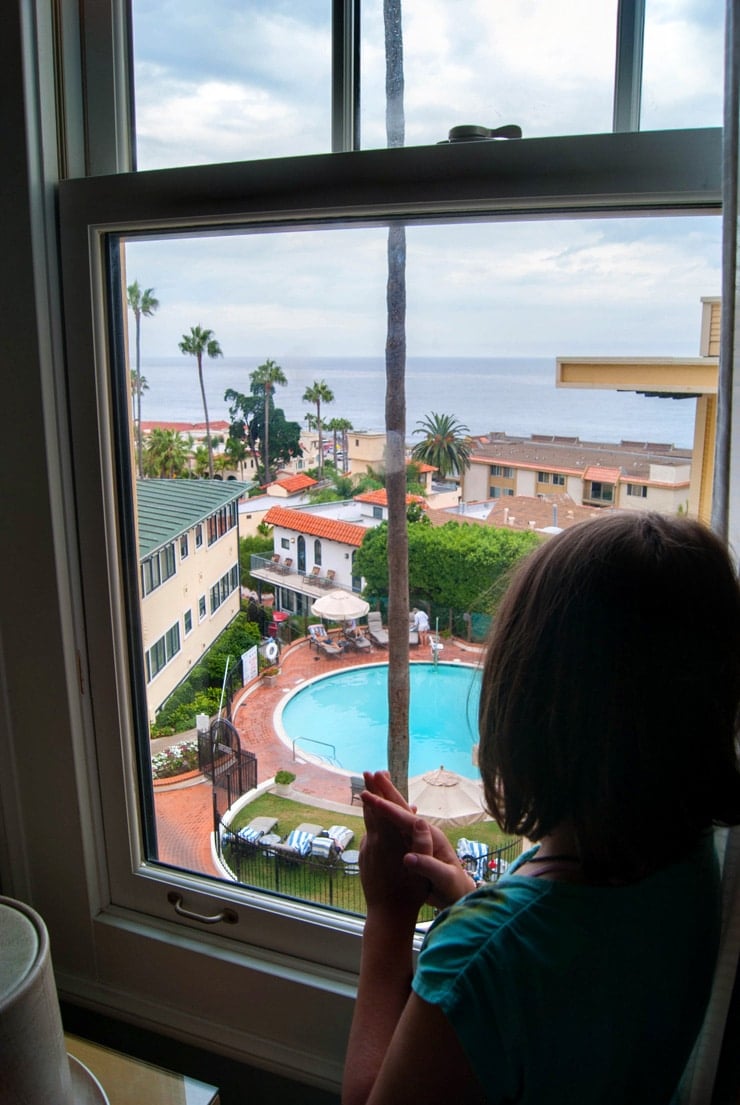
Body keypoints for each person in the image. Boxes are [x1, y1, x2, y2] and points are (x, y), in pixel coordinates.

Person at [342, 513, 740, 1105]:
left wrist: (389, 919)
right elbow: (571, 976)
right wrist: (469, 896)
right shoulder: (695, 861)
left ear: (524, 712)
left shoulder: (477, 962)